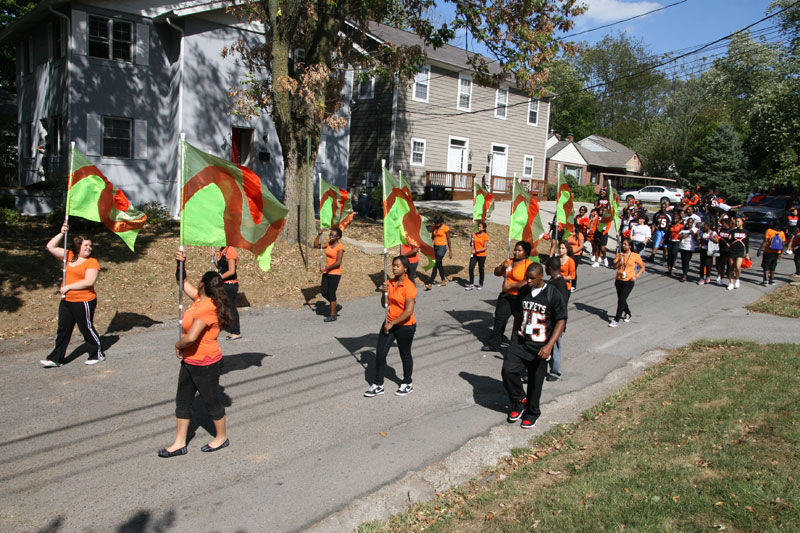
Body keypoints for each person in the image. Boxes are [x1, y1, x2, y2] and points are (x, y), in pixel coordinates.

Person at [159, 252, 234, 458]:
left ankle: (221, 437)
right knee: (182, 401)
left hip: (205, 363)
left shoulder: (207, 308)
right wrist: (180, 263)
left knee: (211, 402)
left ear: (202, 284)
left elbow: (191, 338)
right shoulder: (199, 299)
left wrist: (177, 345)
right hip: (190, 361)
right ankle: (179, 443)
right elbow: (182, 282)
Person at [501, 262, 567, 429]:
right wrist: (514, 333)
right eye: (526, 278)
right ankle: (519, 400)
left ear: (540, 277)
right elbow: (518, 313)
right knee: (508, 370)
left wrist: (549, 346)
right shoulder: (524, 290)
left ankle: (532, 413)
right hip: (521, 341)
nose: (528, 281)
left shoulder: (553, 294)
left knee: (535, 382)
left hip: (540, 346)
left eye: (531, 278)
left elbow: (561, 320)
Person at [41, 224, 105, 367]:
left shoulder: (92, 262)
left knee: (86, 328)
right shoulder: (69, 256)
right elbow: (50, 247)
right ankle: (56, 358)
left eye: (90, 246)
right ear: (78, 246)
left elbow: (89, 282)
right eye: (86, 245)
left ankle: (97, 354)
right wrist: (61, 233)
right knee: (63, 329)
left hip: (84, 301)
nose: (89, 248)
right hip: (67, 301)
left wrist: (68, 286)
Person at [364, 255, 417, 397]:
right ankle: (378, 384)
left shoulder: (409, 286)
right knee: (380, 354)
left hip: (405, 326)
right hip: (389, 323)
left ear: (405, 268)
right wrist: (384, 292)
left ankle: (407, 382)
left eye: (398, 265)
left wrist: (393, 323)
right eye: (393, 265)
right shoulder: (389, 283)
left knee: (405, 354)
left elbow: (409, 311)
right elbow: (384, 305)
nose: (394, 268)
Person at [481, 241, 532, 352]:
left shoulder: (528, 265)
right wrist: (502, 267)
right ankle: (494, 344)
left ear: (526, 252)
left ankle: (519, 346)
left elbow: (527, 281)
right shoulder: (509, 261)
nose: (516, 252)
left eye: (519, 250)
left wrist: (511, 286)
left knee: (520, 323)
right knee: (499, 319)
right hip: (505, 296)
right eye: (515, 249)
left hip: (519, 298)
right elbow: (497, 273)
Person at [609, 237, 645, 327]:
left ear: (630, 246)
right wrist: (619, 260)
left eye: (625, 244)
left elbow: (642, 267)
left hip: (629, 281)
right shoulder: (619, 255)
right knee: (622, 299)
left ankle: (616, 319)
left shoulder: (635, 256)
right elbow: (614, 267)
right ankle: (628, 313)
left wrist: (636, 276)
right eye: (623, 244)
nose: (623, 245)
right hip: (619, 280)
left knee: (621, 300)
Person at [545, 256, 569, 382]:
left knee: (555, 347)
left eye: (545, 266)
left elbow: (560, 307)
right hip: (548, 322)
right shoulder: (552, 282)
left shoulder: (559, 285)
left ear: (549, 268)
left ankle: (555, 371)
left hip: (556, 323)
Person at [314, 227, 345, 322]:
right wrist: (319, 235)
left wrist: (326, 268)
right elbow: (316, 246)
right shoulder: (328, 244)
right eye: (330, 235)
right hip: (327, 272)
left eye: (333, 235)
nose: (331, 236)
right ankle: (334, 304)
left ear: (338, 237)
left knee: (331, 293)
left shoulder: (340, 247)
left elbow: (338, 262)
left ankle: (332, 315)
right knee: (324, 292)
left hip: (335, 273)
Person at [213, 246, 241, 340]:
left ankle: (236, 331)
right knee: (221, 306)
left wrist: (218, 278)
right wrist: (213, 257)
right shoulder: (222, 250)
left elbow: (231, 271)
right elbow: (219, 266)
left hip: (230, 284)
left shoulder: (230, 250)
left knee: (231, 307)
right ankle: (222, 326)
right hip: (223, 284)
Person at [426, 215, 452, 289]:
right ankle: (443, 280)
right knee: (439, 264)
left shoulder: (445, 228)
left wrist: (450, 251)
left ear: (441, 222)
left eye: (437, 223)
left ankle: (430, 283)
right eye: (435, 223)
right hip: (435, 247)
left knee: (435, 264)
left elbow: (449, 239)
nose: (436, 225)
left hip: (442, 248)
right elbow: (432, 237)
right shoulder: (434, 227)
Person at [757, 220, 786, 285]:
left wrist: (760, 249)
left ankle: (765, 280)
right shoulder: (781, 233)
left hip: (768, 251)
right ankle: (772, 280)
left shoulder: (769, 231)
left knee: (766, 266)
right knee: (773, 266)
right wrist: (780, 253)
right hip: (777, 252)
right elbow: (783, 244)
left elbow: (765, 241)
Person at [725, 215, 750, 290]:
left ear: (742, 222)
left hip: (740, 251)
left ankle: (738, 279)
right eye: (736, 221)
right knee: (731, 267)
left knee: (738, 266)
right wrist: (728, 239)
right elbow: (729, 241)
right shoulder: (732, 231)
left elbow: (747, 243)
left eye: (738, 221)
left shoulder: (746, 232)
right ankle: (731, 283)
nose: (737, 222)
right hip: (732, 250)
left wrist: (747, 253)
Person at [466, 221, 489, 290]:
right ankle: (471, 283)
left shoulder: (485, 236)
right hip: (474, 255)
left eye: (480, 227)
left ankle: (480, 283)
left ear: (484, 228)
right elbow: (471, 244)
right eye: (478, 226)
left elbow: (485, 247)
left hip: (481, 255)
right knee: (471, 268)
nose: (478, 228)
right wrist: (471, 238)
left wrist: (476, 251)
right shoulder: (475, 235)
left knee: (480, 269)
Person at [697, 221, 719, 285]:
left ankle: (708, 276)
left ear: (708, 226)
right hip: (703, 250)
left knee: (707, 264)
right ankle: (701, 278)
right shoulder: (702, 233)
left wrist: (712, 237)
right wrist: (700, 243)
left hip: (709, 250)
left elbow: (717, 241)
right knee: (702, 264)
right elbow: (700, 240)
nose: (704, 227)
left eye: (705, 226)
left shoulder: (713, 233)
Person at [678, 218, 698, 282]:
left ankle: (684, 275)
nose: (689, 224)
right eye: (688, 222)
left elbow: (696, 238)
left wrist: (691, 231)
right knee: (683, 261)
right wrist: (683, 236)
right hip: (682, 247)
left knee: (686, 261)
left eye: (691, 222)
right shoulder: (683, 229)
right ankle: (684, 272)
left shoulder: (695, 229)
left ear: (693, 223)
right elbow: (679, 236)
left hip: (690, 248)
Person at [716, 217, 732, 286]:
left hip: (727, 249)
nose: (722, 225)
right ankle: (720, 276)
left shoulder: (731, 231)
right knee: (719, 264)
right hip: (720, 248)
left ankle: (726, 277)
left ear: (727, 223)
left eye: (723, 223)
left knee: (725, 263)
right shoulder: (721, 230)